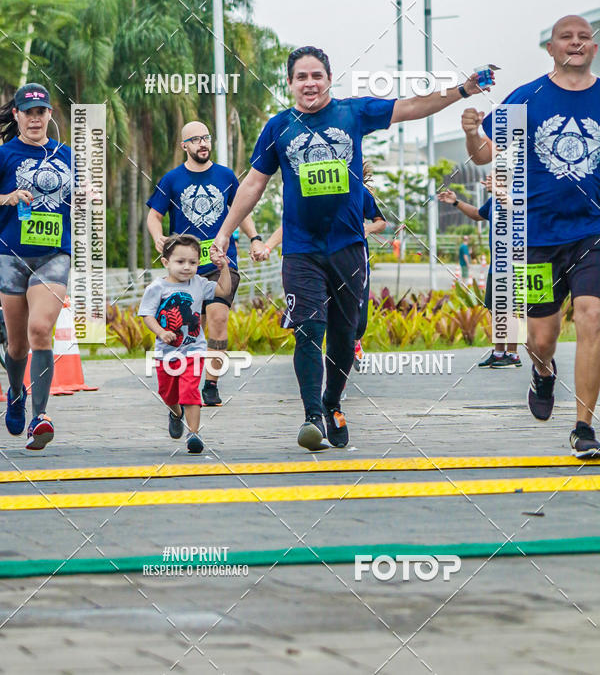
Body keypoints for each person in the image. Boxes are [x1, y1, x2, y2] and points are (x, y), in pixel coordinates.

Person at [209, 44, 491, 451]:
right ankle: (311, 418)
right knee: (309, 328)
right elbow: (254, 183)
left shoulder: (353, 112)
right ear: (289, 84)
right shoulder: (278, 127)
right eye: (301, 77)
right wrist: (225, 232)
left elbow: (412, 106)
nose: (310, 83)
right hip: (301, 249)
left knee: (344, 334)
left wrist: (462, 91)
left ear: (329, 79)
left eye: (316, 75)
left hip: (347, 248)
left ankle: (332, 403)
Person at [463, 14, 600, 458]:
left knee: (592, 316)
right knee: (541, 338)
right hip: (536, 235)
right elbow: (487, 153)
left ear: (593, 49)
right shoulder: (527, 98)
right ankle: (542, 373)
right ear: (552, 49)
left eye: (584, 37)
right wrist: (469, 133)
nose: (576, 42)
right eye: (567, 37)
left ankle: (583, 426)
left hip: (592, 232)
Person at [146, 121, 266, 407]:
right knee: (188, 326)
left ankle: (211, 384)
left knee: (218, 318)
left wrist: (256, 238)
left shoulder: (225, 176)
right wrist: (158, 236)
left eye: (206, 138)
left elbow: (241, 211)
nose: (203, 143)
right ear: (184, 146)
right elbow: (154, 216)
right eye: (195, 139)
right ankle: (180, 385)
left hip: (221, 260)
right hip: (185, 267)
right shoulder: (172, 179)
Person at [0, 83, 73, 450]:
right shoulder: (4, 154)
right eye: (27, 112)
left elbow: (79, 194)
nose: (34, 118)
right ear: (16, 115)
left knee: (40, 329)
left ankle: (40, 417)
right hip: (10, 256)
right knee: (16, 346)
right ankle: (16, 391)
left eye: (41, 111)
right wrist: (8, 197)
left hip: (53, 256)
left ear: (49, 115)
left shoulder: (67, 154)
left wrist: (87, 194)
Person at [259, 169, 388, 372]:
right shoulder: (309, 195)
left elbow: (381, 222)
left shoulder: (358, 191)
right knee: (320, 322)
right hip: (316, 265)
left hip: (353, 264)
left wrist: (366, 228)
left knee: (358, 323)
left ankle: (354, 342)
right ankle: (330, 384)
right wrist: (268, 246)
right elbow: (289, 224)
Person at [138, 234, 231, 453]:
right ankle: (176, 413)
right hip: (166, 353)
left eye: (193, 262)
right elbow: (147, 315)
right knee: (167, 394)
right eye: (180, 262)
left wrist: (224, 268)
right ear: (165, 262)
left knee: (190, 390)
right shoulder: (156, 288)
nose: (187, 267)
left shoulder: (199, 283)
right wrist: (161, 332)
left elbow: (223, 291)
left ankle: (194, 433)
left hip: (193, 349)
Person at [438, 181, 521, 368]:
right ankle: (499, 353)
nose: (488, 180)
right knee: (496, 310)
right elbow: (477, 214)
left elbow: (513, 208)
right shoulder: (493, 201)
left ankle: (513, 354)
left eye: (494, 177)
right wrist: (455, 202)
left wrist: (499, 191)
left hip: (512, 265)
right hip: (496, 266)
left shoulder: (517, 197)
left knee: (509, 311)